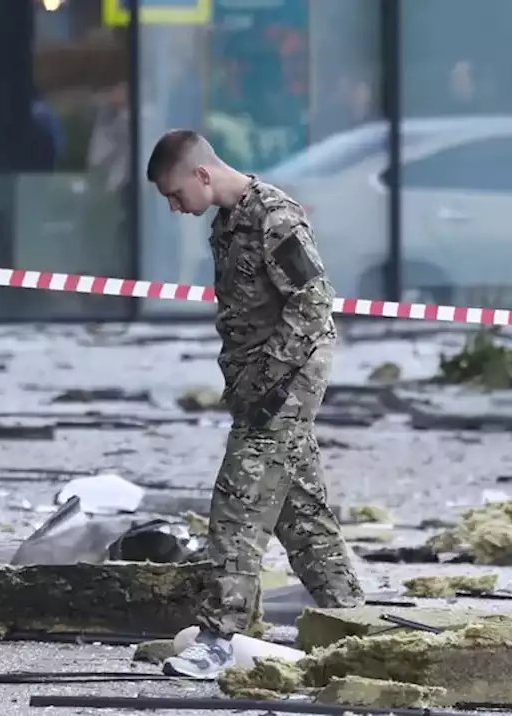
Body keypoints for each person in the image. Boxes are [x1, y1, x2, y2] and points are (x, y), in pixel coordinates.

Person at [144, 129, 366, 679]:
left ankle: (219, 637)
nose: (176, 208)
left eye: (176, 195)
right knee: (299, 508)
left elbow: (313, 306)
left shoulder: (275, 216)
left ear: (202, 174)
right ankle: (351, 618)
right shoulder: (226, 222)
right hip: (255, 387)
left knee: (237, 504)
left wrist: (269, 381)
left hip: (284, 385)